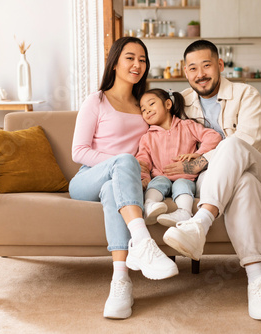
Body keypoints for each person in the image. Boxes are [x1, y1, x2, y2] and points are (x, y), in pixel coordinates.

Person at [161, 40, 261, 321]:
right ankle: (258, 280)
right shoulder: (181, 103)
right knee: (241, 185)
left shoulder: (247, 94)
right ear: (185, 72)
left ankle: (201, 224)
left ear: (219, 65)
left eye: (206, 65)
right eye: (193, 68)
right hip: (225, 182)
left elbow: (246, 141)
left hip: (259, 170)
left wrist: (199, 161)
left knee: (231, 146)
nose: (200, 74)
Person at [69, 37, 178, 320]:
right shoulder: (97, 100)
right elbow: (78, 151)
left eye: (142, 59)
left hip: (124, 183)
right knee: (120, 166)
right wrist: (121, 164)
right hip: (86, 179)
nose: (137, 64)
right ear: (115, 61)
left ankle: (121, 281)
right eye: (130, 57)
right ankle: (143, 243)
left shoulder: (145, 105)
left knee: (111, 190)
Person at [135, 88, 222, 226]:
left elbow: (213, 137)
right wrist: (144, 178)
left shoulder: (187, 126)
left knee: (182, 185)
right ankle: (150, 205)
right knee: (157, 183)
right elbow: (143, 160)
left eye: (151, 104)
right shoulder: (147, 137)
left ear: (168, 104)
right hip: (160, 177)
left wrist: (198, 155)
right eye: (143, 110)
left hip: (185, 177)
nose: (147, 111)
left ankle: (184, 212)